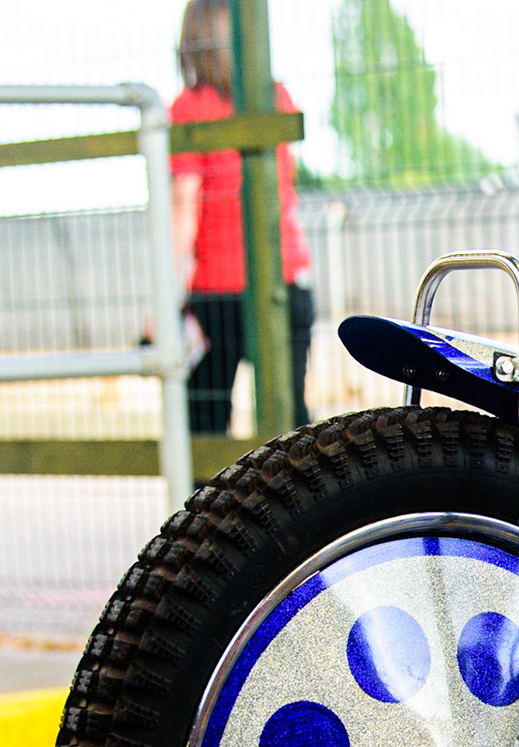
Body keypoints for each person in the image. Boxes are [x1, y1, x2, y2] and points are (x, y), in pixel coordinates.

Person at [170, 0, 314, 436]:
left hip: (218, 292)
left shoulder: (188, 108)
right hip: (284, 279)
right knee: (291, 424)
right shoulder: (276, 96)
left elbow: (185, 204)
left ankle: (213, 485)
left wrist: (169, 293)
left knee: (206, 422)